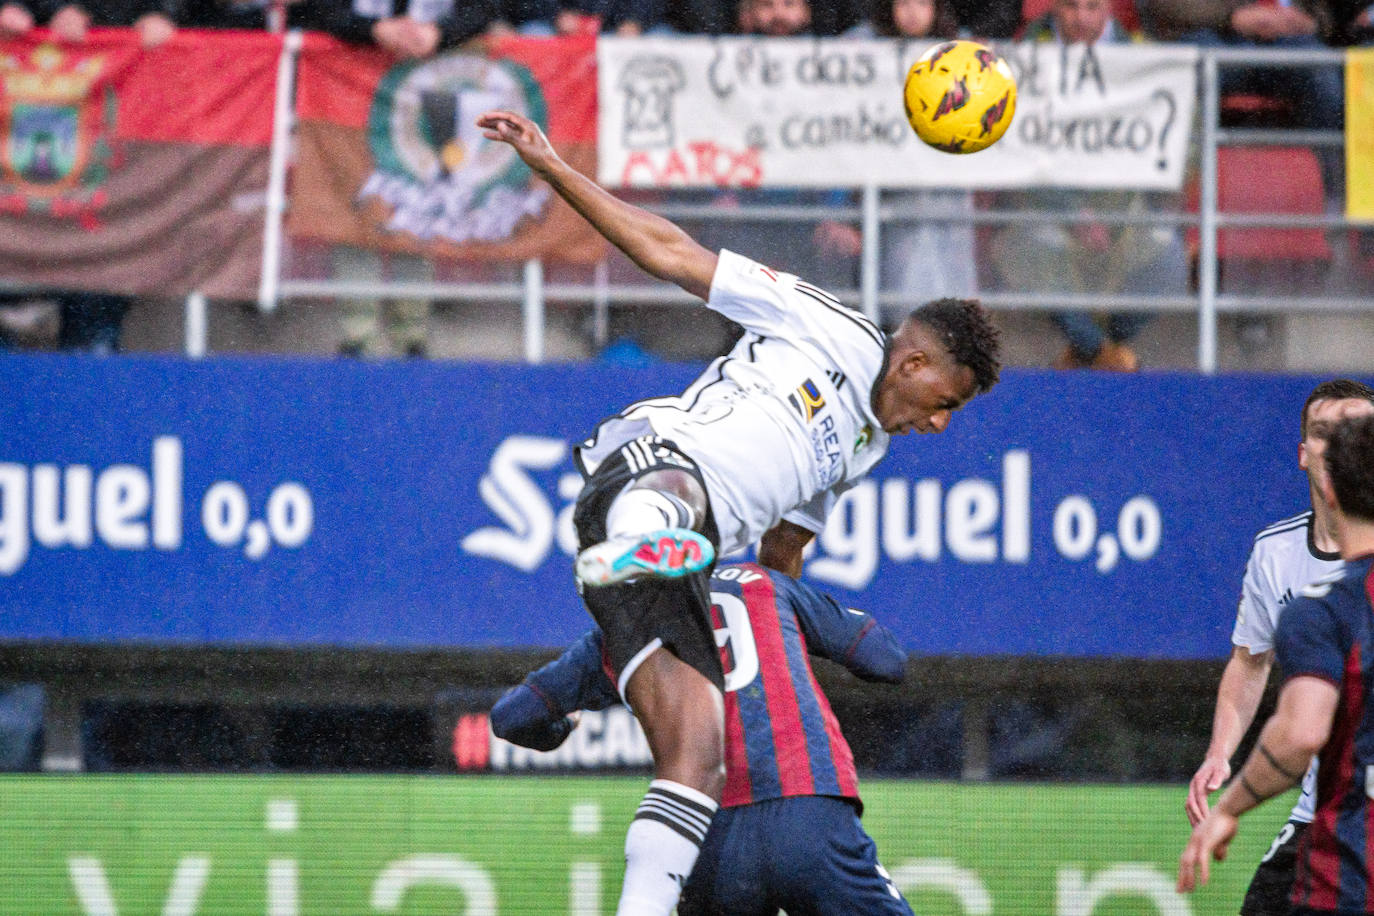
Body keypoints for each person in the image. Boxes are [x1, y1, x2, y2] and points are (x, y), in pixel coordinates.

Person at [477, 107, 1000, 915]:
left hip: (687, 566)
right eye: (945, 402)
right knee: (686, 502)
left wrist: (785, 653)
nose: (940, 423)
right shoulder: (825, 324)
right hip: (652, 472)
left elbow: (781, 562)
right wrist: (551, 167)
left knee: (696, 751)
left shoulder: (867, 447)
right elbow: (672, 253)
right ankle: (644, 539)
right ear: (919, 359)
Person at [490, 562, 914, 915]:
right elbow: (886, 661)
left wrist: (561, 730)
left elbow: (512, 718)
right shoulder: (760, 583)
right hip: (806, 811)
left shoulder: (611, 643)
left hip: (706, 838)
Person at [1185, 379, 1374, 915]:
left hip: (1352, 833)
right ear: (1304, 454)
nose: (1342, 444)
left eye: (1358, 434)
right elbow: (1250, 663)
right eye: (1325, 433)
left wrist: (1235, 806)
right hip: (1325, 815)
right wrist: (1220, 753)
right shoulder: (1278, 556)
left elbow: (1300, 731)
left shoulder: (1320, 611)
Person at [991, 0, 1190, 371]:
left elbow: (1179, 145)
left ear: (1110, 10)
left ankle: (1090, 347)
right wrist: (1071, 211)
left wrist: (1121, 209)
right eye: (1071, 7)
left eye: (1092, 7)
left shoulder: (1146, 59)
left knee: (1171, 263)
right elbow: (1016, 148)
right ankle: (1103, 353)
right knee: (1020, 250)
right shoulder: (1023, 61)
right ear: (1054, 10)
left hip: (1129, 210)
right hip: (1044, 208)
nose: (1081, 18)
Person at [311, 0, 495, 359]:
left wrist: (440, 33)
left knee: (417, 201)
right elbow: (316, 10)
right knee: (356, 198)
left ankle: (411, 332)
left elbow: (485, 10)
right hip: (350, 89)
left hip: (426, 90)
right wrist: (373, 30)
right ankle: (357, 333)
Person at [836, 0, 978, 322]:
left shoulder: (963, 49)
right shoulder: (858, 47)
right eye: (904, 2)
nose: (913, 12)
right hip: (877, 185)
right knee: (887, 284)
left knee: (945, 295)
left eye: (922, 3)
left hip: (942, 188)